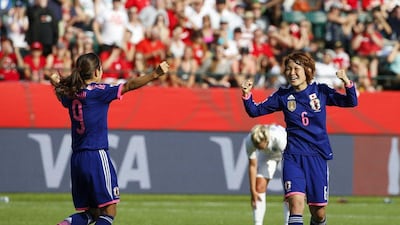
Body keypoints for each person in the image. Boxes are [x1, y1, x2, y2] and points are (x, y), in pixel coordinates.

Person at [51, 52, 169, 225]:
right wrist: (155, 74)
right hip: (96, 155)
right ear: (97, 71)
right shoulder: (99, 92)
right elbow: (129, 85)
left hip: (77, 159)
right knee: (109, 211)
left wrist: (56, 83)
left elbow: (61, 94)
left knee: (92, 212)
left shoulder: (71, 94)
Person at [241, 51, 358, 225]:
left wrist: (347, 83)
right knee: (296, 205)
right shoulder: (282, 96)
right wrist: (246, 95)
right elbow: (254, 111)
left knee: (318, 212)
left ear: (308, 70)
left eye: (296, 68)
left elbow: (351, 102)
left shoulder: (320, 91)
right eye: (288, 69)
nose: (291, 72)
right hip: (293, 157)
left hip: (317, 156)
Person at [245, 124, 289, 225]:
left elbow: (289, 163)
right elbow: (252, 166)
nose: (258, 149)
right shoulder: (250, 141)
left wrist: (289, 189)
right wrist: (253, 192)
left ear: (266, 139)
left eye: (259, 146)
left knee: (290, 193)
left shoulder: (279, 138)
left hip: (288, 156)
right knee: (259, 187)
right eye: (256, 147)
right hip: (268, 156)